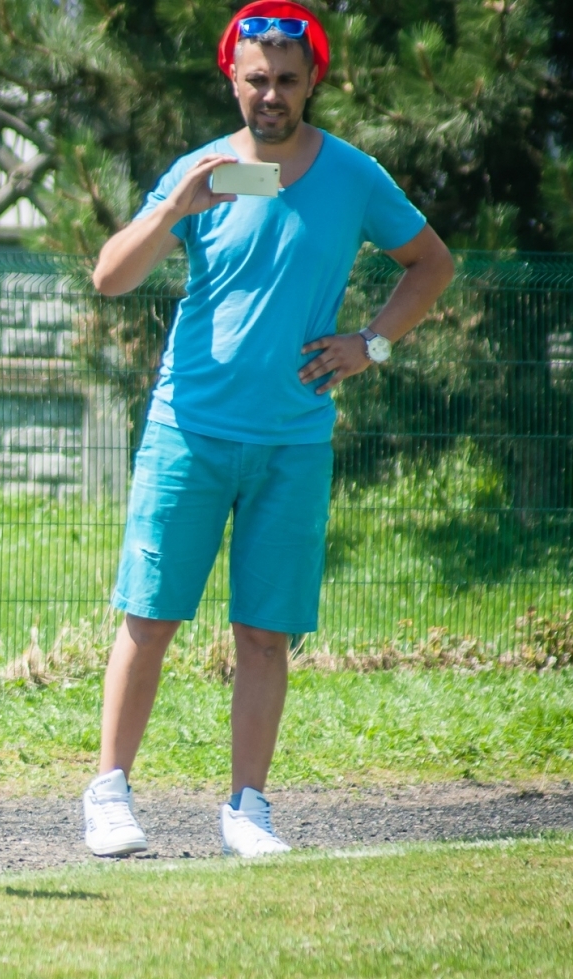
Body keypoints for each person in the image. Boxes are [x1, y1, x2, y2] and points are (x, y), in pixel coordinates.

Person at [82, 1, 455, 858]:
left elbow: (431, 264)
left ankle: (247, 810)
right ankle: (108, 795)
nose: (272, 95)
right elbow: (110, 278)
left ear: (312, 80)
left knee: (264, 631)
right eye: (257, 79)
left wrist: (373, 344)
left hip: (293, 440)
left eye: (288, 80)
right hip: (189, 429)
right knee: (150, 616)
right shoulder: (206, 170)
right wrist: (174, 206)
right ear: (234, 79)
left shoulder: (355, 176)